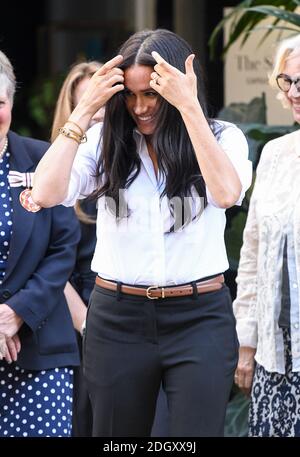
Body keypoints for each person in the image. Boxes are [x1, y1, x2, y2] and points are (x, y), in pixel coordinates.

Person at [32, 29, 252, 437]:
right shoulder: (104, 141)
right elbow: (44, 192)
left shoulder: (222, 137)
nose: (140, 107)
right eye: (129, 96)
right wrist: (83, 113)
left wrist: (188, 108)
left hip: (199, 317)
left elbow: (226, 193)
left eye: (151, 94)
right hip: (118, 318)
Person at [0, 50, 81, 437]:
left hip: (40, 344)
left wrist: (17, 311)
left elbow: (63, 247)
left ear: (11, 103)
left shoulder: (41, 160)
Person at [233, 34, 300, 437]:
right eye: (288, 81)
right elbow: (253, 254)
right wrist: (247, 343)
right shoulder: (276, 154)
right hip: (278, 359)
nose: (294, 92)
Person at [51, 60, 103, 437]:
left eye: (102, 102)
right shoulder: (54, 175)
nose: (95, 114)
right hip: (77, 318)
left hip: (133, 312)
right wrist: (87, 323)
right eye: (85, 104)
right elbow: (48, 258)